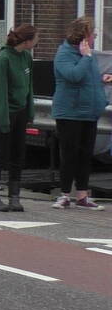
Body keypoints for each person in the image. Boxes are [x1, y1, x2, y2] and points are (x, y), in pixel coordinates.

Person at [51, 16, 111, 210]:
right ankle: (64, 194)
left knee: (85, 154)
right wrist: (86, 57)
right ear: (83, 35)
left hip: (89, 112)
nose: (94, 36)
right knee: (70, 154)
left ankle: (83, 195)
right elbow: (74, 76)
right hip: (70, 113)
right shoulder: (64, 54)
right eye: (92, 33)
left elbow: (88, 78)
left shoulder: (88, 55)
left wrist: (104, 79)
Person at [0, 24, 38, 212]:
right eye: (35, 38)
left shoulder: (26, 58)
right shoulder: (3, 59)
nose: (37, 41)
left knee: (18, 154)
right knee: (0, 154)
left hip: (21, 111)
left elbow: (29, 87)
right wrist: (4, 120)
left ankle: (14, 196)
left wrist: (30, 111)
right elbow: (0, 94)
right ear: (27, 41)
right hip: (3, 111)